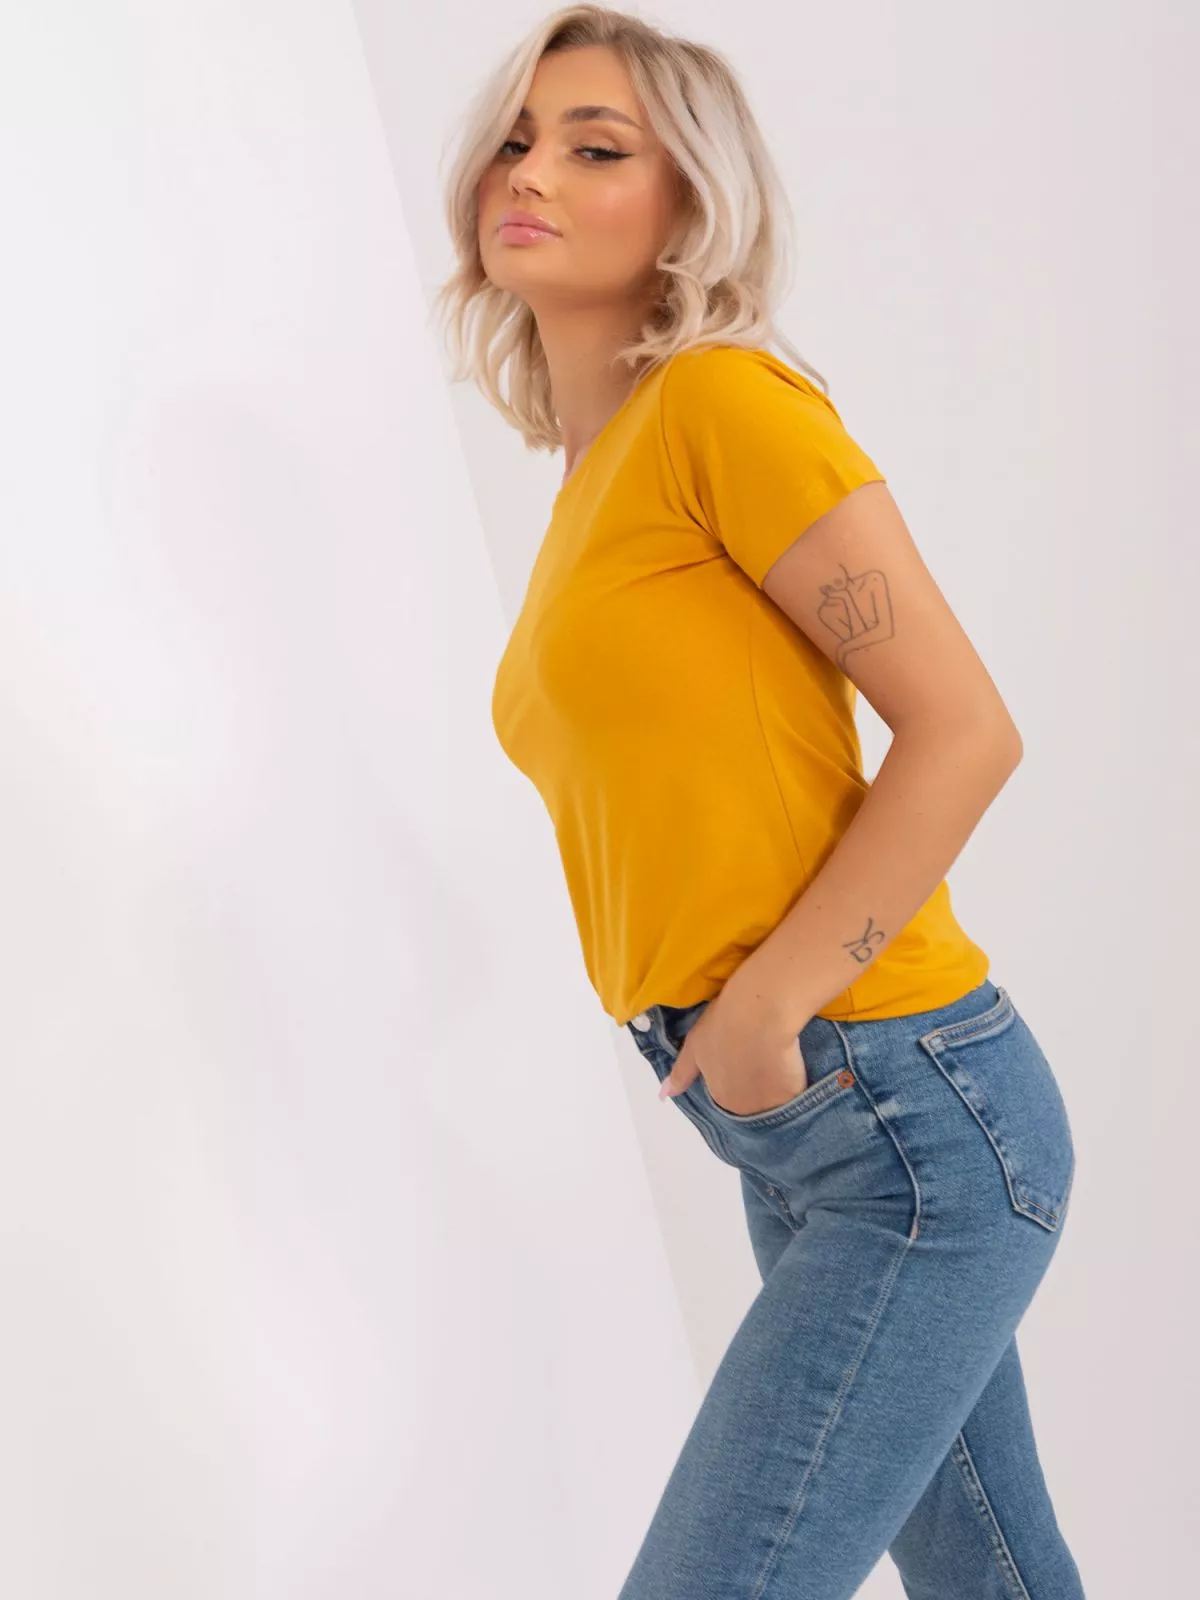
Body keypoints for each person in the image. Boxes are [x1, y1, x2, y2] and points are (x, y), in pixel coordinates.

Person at [434, 7, 1086, 1596]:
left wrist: (774, 1004)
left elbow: (965, 730)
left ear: (690, 204)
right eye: (516, 139)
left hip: (904, 1113)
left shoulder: (721, 405)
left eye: (596, 147)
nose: (532, 172)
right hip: (803, 1129)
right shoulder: (596, 475)